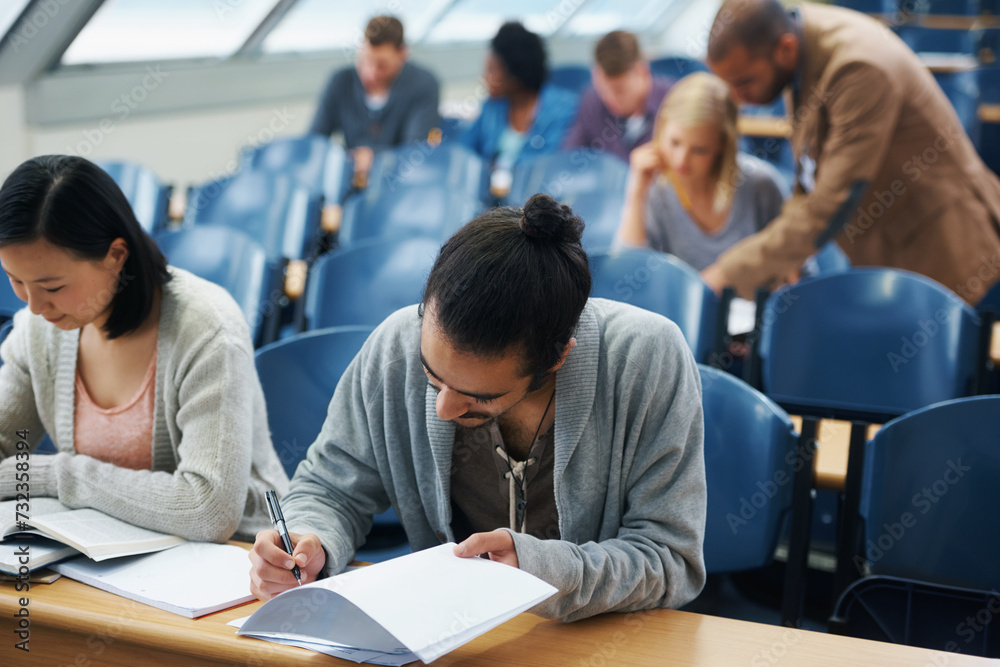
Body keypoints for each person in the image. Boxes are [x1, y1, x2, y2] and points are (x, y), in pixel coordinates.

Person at [248, 194, 706, 622]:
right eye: (432, 375)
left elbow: (670, 559)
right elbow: (331, 487)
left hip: (599, 639)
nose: (444, 407)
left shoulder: (647, 360)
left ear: (556, 358)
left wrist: (540, 568)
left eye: (479, 397)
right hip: (449, 634)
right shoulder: (395, 346)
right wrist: (311, 540)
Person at [0, 155, 288, 542]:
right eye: (15, 280)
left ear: (116, 256)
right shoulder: (40, 330)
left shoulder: (207, 327)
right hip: (110, 550)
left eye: (52, 287)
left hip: (243, 557)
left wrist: (57, 474)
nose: (34, 306)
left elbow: (208, 509)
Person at [701, 0, 1000, 304]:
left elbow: (830, 202)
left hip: (953, 254)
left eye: (744, 82)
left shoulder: (859, 67)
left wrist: (727, 274)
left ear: (786, 49)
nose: (738, 99)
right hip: (896, 249)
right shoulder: (797, 40)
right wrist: (786, 258)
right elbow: (810, 172)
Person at [617, 72, 787, 271]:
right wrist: (636, 195)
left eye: (699, 150)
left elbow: (799, 274)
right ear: (662, 129)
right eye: (674, 142)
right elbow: (627, 270)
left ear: (723, 145)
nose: (681, 160)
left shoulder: (762, 185)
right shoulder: (654, 186)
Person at [309, 15, 440, 187]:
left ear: (402, 54)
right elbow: (314, 140)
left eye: (382, 65)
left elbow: (415, 151)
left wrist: (375, 157)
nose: (371, 73)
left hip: (398, 185)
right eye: (364, 61)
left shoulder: (423, 84)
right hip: (348, 183)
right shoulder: (340, 82)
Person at [460, 22, 579, 197]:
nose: (485, 78)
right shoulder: (491, 107)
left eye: (492, 70)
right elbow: (464, 151)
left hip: (536, 207)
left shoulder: (563, 110)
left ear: (515, 74)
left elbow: (551, 167)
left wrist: (500, 169)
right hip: (490, 207)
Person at [563, 30, 674, 162]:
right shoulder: (591, 100)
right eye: (602, 89)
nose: (609, 98)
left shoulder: (674, 101)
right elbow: (569, 158)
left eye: (619, 91)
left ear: (642, 72)